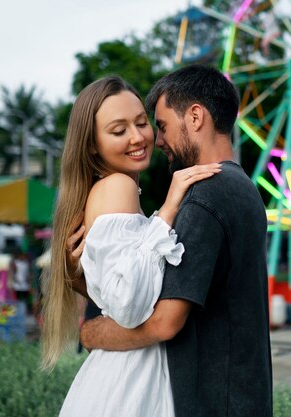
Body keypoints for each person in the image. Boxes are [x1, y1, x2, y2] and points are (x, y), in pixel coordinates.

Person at [72, 64, 273, 417]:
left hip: (210, 403)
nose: (155, 139)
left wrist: (92, 332)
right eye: (120, 129)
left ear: (195, 117)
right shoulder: (244, 190)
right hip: (240, 396)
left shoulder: (203, 197)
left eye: (157, 125)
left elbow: (163, 321)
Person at [40, 74, 220, 417]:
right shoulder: (118, 186)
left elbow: (117, 292)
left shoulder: (107, 190)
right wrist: (167, 211)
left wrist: (82, 282)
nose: (138, 137)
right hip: (132, 380)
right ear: (92, 143)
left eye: (142, 123)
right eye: (119, 130)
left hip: (117, 374)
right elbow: (130, 306)